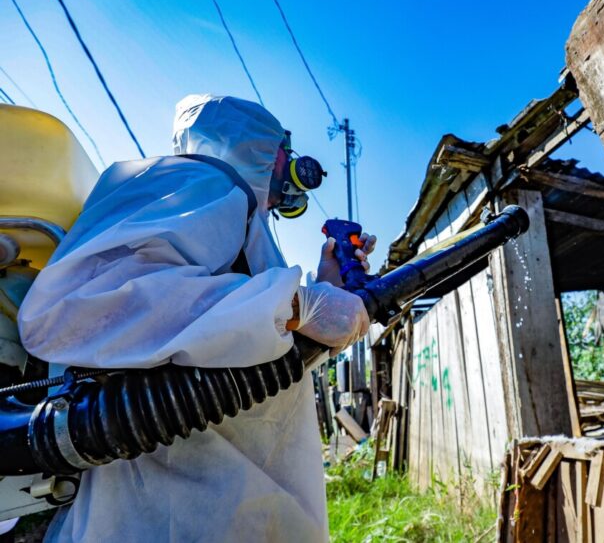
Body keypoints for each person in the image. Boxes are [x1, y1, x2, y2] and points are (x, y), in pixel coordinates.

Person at [17, 94, 373, 542]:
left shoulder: (243, 221)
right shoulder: (201, 182)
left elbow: (243, 347)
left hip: (226, 505)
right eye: (283, 158)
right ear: (252, 146)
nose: (289, 175)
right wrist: (298, 305)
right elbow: (72, 311)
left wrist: (325, 293)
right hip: (164, 515)